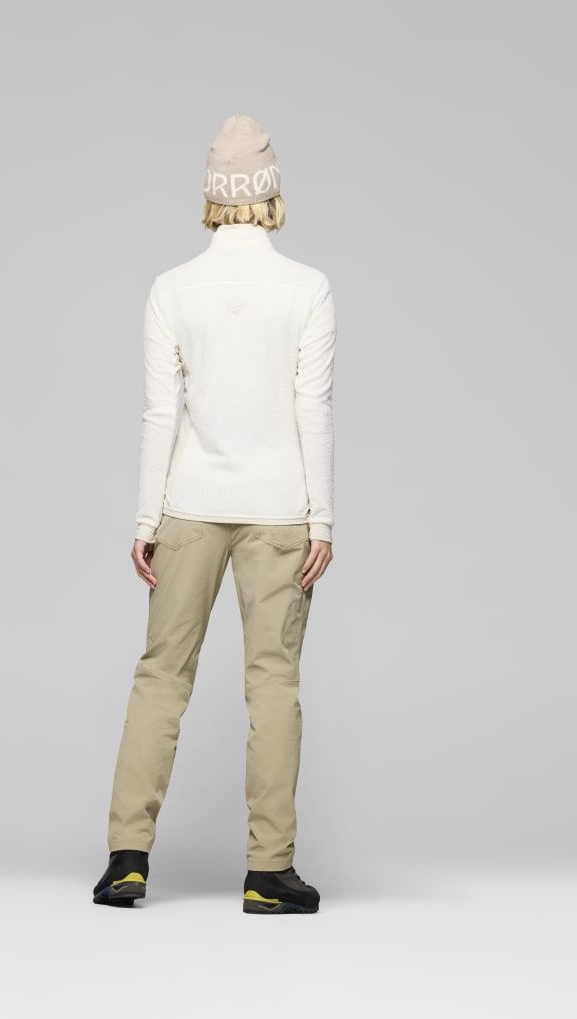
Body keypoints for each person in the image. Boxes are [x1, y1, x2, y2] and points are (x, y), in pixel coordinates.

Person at [93, 114, 336, 914]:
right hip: (279, 508)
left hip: (189, 504)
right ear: (270, 193)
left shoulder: (173, 289)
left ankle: (127, 860)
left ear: (212, 194)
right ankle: (269, 872)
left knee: (161, 675)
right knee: (274, 682)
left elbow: (159, 414)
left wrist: (145, 521)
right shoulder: (308, 287)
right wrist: (323, 520)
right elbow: (313, 407)